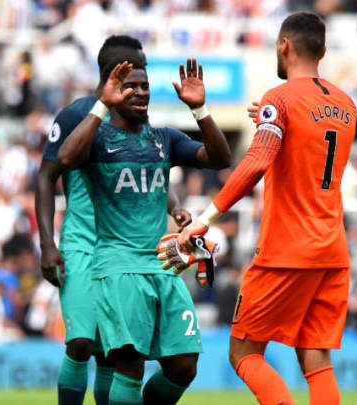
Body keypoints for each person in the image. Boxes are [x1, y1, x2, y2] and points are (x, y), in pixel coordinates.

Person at [175, 12, 356, 405]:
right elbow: (312, 149)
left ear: (283, 45)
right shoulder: (346, 105)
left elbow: (257, 162)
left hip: (287, 249)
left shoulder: (280, 98)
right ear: (322, 51)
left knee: (244, 353)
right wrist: (274, 124)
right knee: (315, 357)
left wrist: (205, 219)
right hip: (332, 249)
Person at [56, 53, 231, 404]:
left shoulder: (163, 139)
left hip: (162, 265)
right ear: (113, 92)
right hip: (118, 266)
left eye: (145, 86)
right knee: (130, 363)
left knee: (184, 365)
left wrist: (200, 110)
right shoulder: (99, 140)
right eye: (129, 86)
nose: (139, 92)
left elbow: (221, 158)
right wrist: (102, 106)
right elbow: (65, 159)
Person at [35, 35, 192, 405]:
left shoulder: (137, 113)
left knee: (113, 350)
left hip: (124, 248)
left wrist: (173, 205)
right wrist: (47, 244)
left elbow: (146, 161)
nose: (142, 78)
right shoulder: (78, 115)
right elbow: (45, 177)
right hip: (81, 242)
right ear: (113, 70)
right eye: (135, 67)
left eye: (144, 71)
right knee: (81, 342)